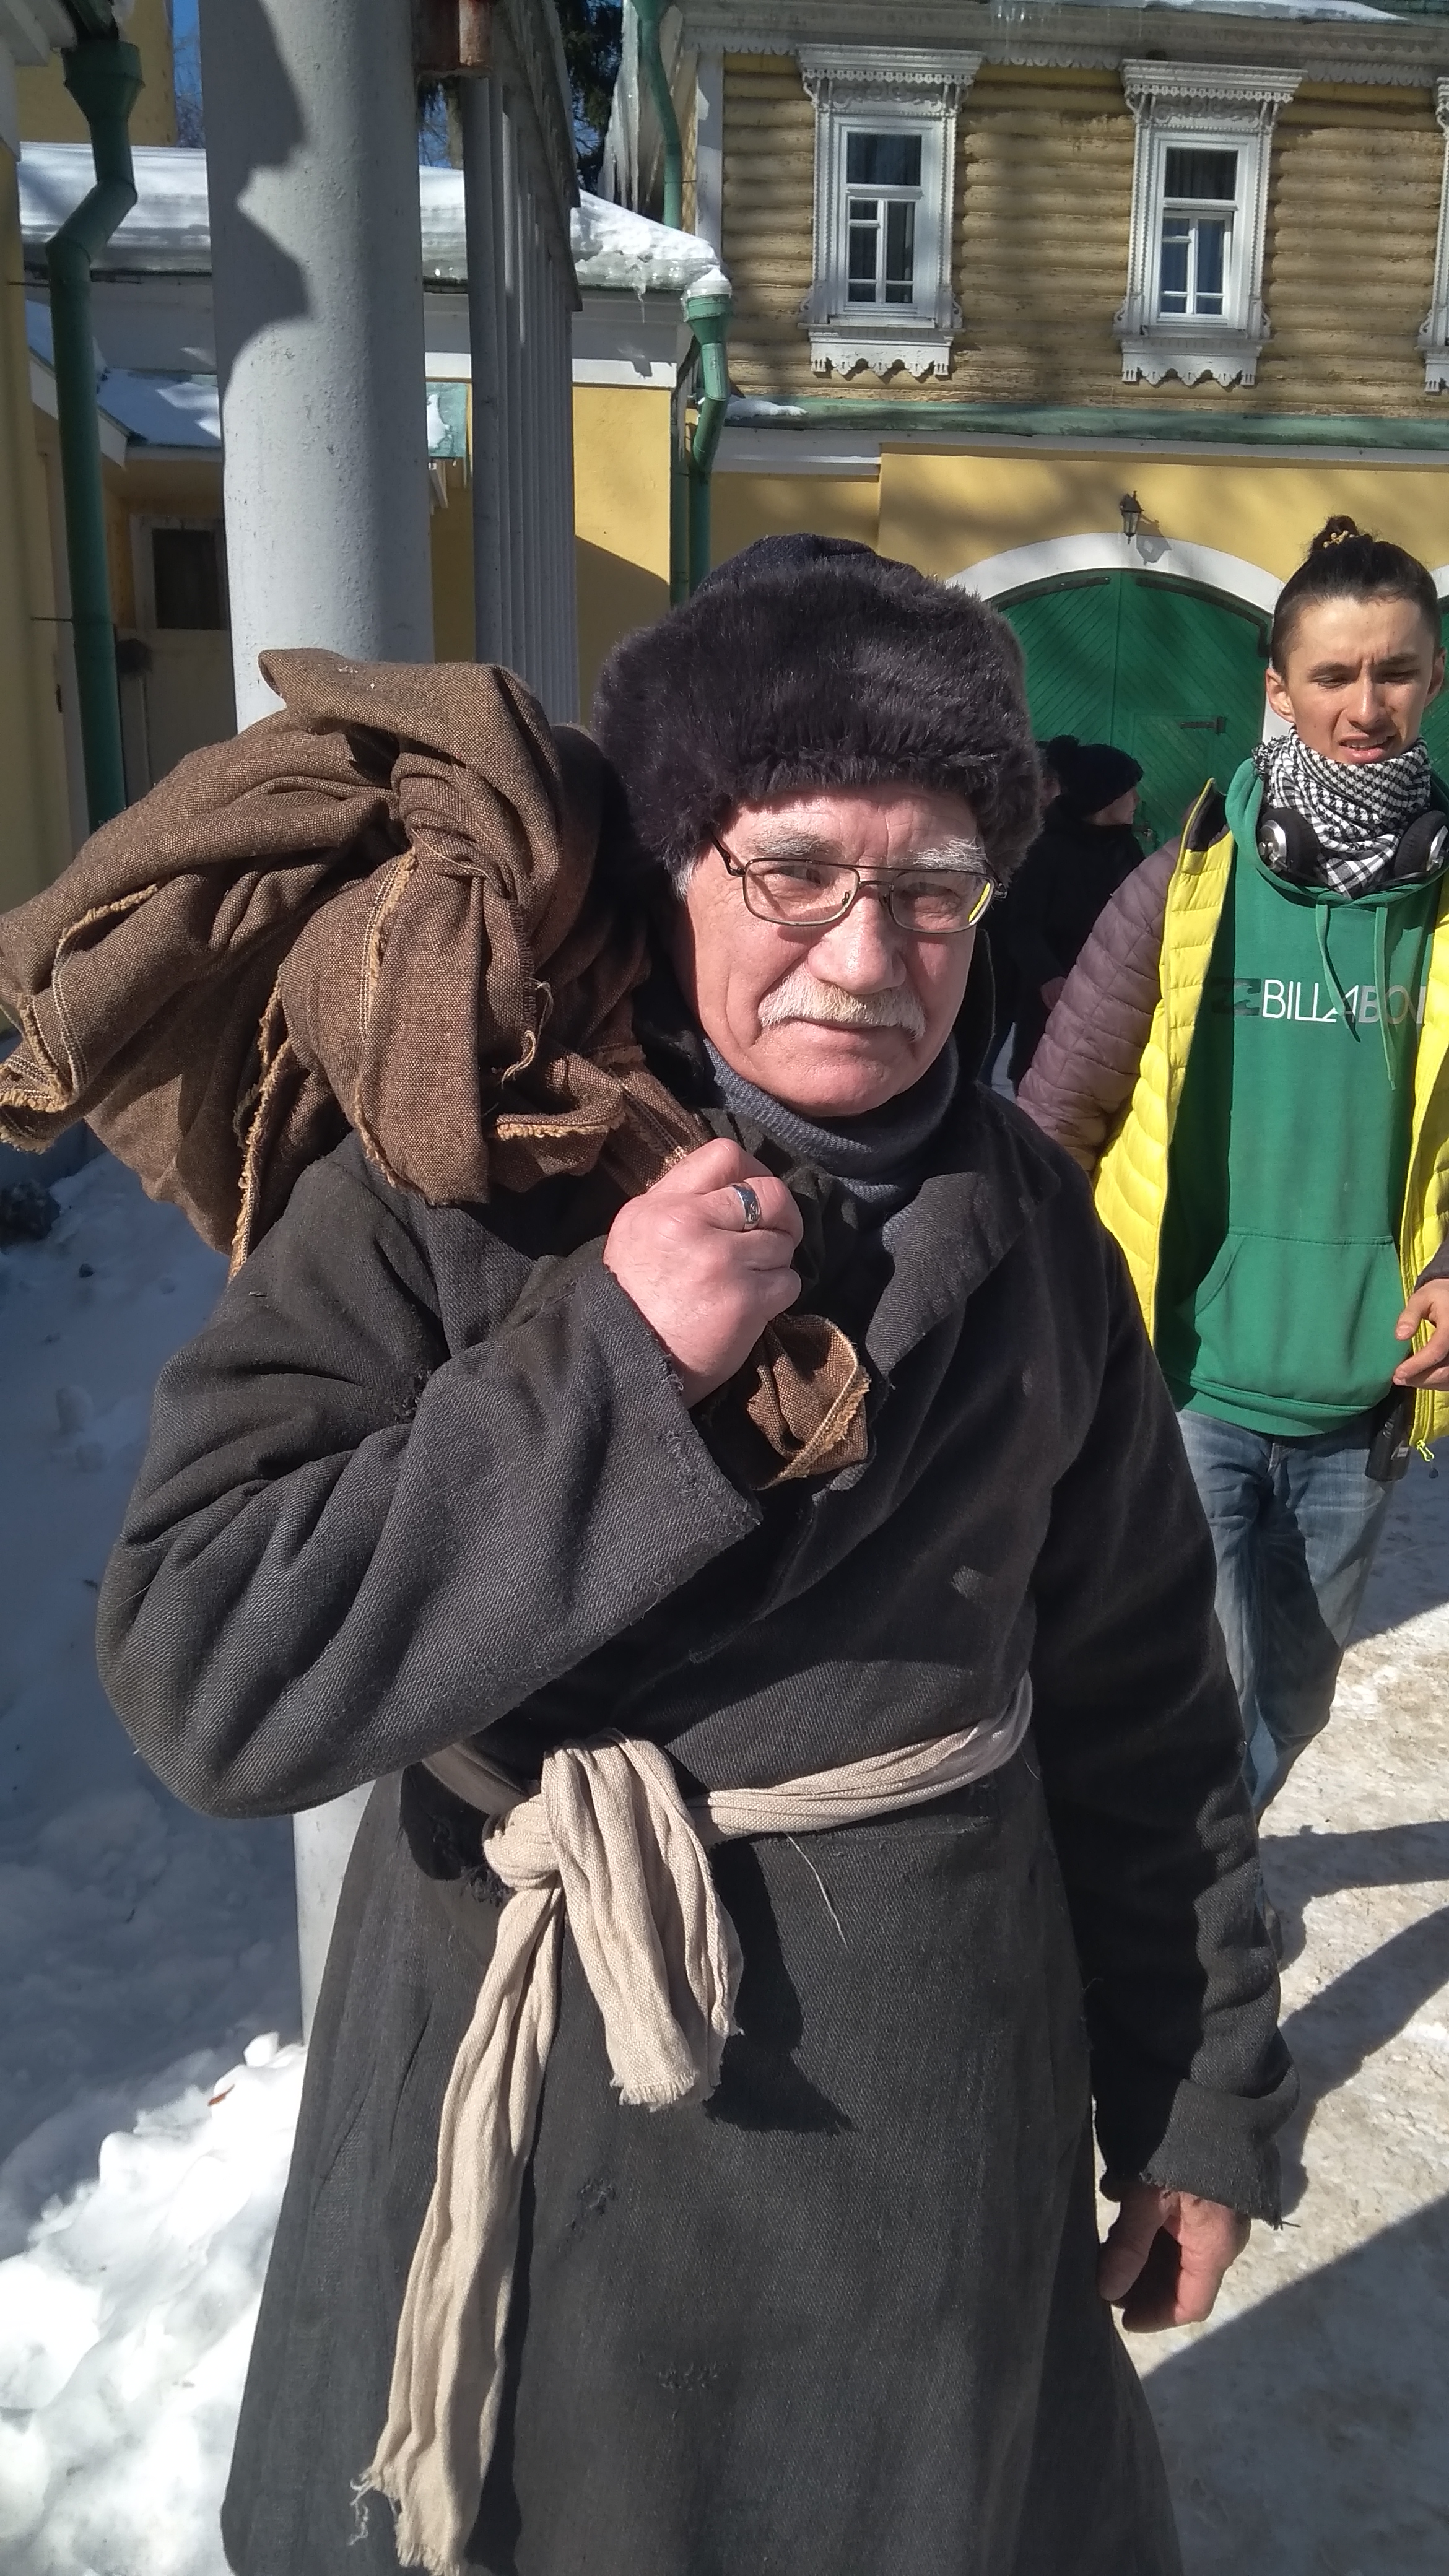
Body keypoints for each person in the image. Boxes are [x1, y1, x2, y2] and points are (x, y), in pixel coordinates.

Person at [78, 539, 1292, 2576]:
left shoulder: (1037, 1248)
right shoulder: (458, 1192)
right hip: (540, 2080)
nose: (866, 952)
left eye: (930, 886)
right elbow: (210, 1664)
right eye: (792, 871)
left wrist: (1198, 2097)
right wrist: (614, 1370)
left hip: (922, 2158)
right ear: (673, 868)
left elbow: (1145, 1710)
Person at [1020, 518, 1449, 1860]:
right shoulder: (1184, 885)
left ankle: (1204, 1868)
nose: (1366, 705)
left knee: (1297, 1699)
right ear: (1279, 689)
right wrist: (1044, 1321)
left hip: (1363, 1396)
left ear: (1433, 678)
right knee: (1197, 1687)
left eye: (1395, 672)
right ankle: (1190, 1911)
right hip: (1185, 1382)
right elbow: (1058, 1118)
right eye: (1334, 675)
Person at [996, 733, 1145, 1086]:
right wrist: (1048, 977)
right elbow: (1021, 927)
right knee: (1045, 1087)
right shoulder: (1045, 850)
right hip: (1056, 1003)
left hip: (1113, 995)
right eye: (1130, 791)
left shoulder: (1126, 848)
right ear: (1105, 796)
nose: (1137, 800)